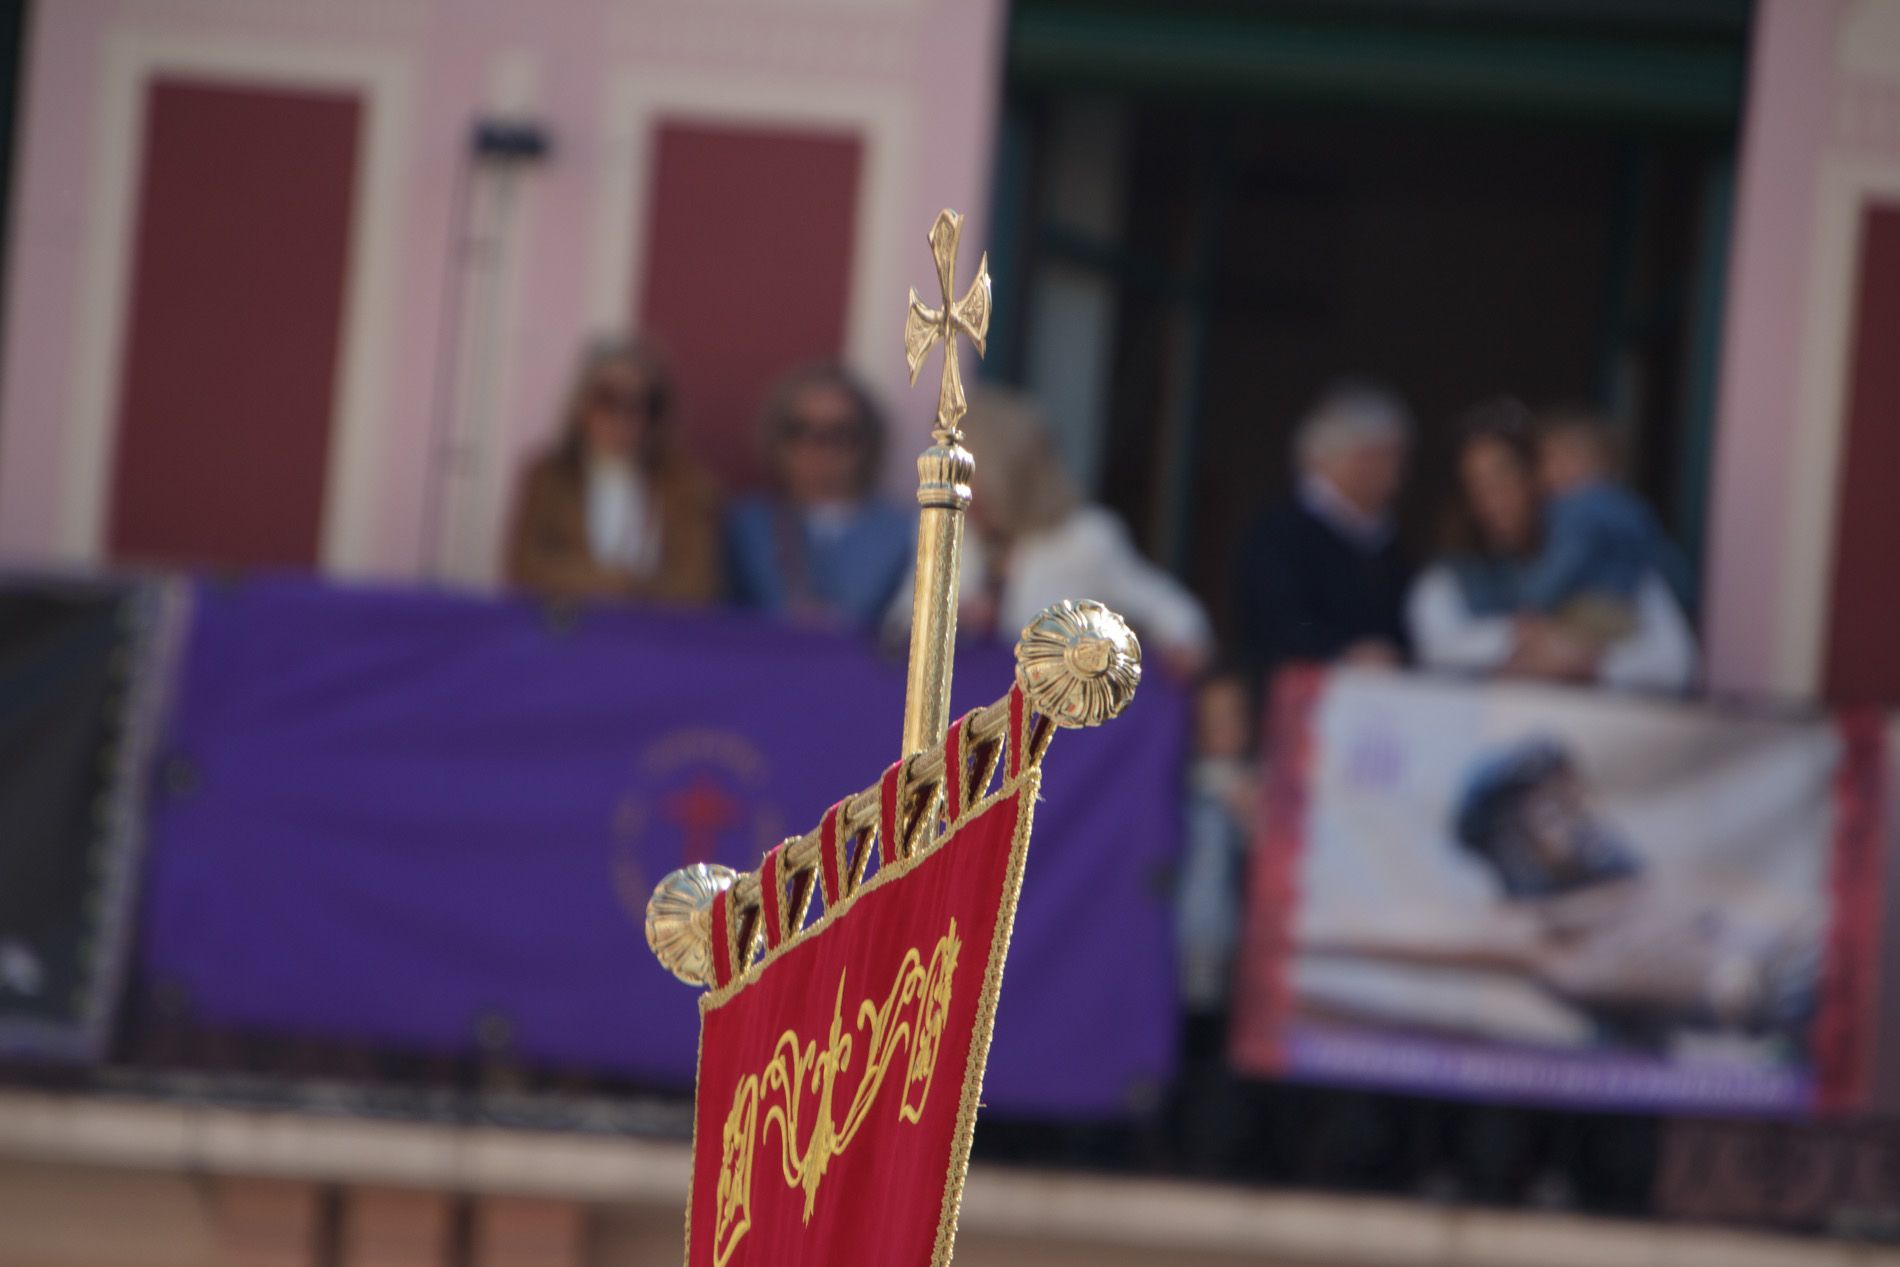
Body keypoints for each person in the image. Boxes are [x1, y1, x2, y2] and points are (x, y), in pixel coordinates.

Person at [1407, 400, 1698, 691]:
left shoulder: (1606, 554)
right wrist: (1515, 637)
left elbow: (1676, 662)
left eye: (1505, 475)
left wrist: (1590, 662)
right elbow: (1436, 648)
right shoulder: (1452, 577)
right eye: (1477, 485)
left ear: (1539, 477)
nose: (1494, 497)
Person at [944, 388, 1213, 673]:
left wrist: (1180, 644)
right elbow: (903, 626)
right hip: (964, 704)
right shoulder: (951, 532)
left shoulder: (1087, 539)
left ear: (1012, 482)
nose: (966, 499)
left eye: (977, 489)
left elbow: (1171, 613)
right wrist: (956, 617)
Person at [505, 337, 722, 604]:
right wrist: (618, 583)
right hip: (567, 633)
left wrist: (620, 586)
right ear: (582, 405)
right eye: (609, 399)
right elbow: (526, 567)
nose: (626, 416)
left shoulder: (689, 485)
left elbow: (697, 584)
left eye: (644, 404)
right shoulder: (549, 477)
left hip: (654, 638)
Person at [1234, 383, 1414, 679]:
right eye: (1383, 457)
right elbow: (1272, 626)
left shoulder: (1388, 543)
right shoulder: (1279, 531)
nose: (1396, 473)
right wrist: (1342, 654)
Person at [726, 365, 912, 631]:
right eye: (800, 430)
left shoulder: (904, 533)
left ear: (867, 442)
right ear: (776, 439)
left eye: (839, 434)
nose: (818, 447)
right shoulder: (745, 525)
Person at [1520, 410, 1691, 647]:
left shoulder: (1575, 507)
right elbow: (1666, 559)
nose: (1547, 472)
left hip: (1589, 609)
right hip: (1629, 612)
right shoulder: (1632, 506)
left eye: (1553, 459)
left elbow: (1564, 563)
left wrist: (1533, 601)